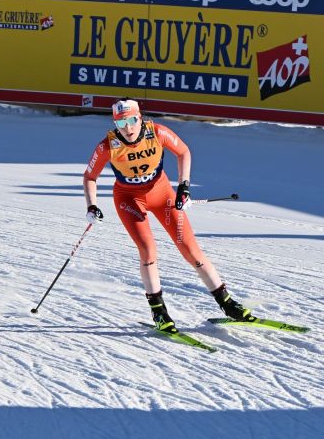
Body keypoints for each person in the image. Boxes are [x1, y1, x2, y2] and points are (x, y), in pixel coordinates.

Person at [82, 98, 255, 333]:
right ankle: (159, 312)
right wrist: (92, 206)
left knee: (190, 249)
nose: (128, 128)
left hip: (162, 194)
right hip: (129, 199)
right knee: (147, 250)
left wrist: (184, 187)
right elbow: (90, 177)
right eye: (121, 123)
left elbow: (183, 152)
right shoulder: (107, 146)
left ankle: (227, 303)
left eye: (132, 120)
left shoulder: (158, 132)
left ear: (140, 118)